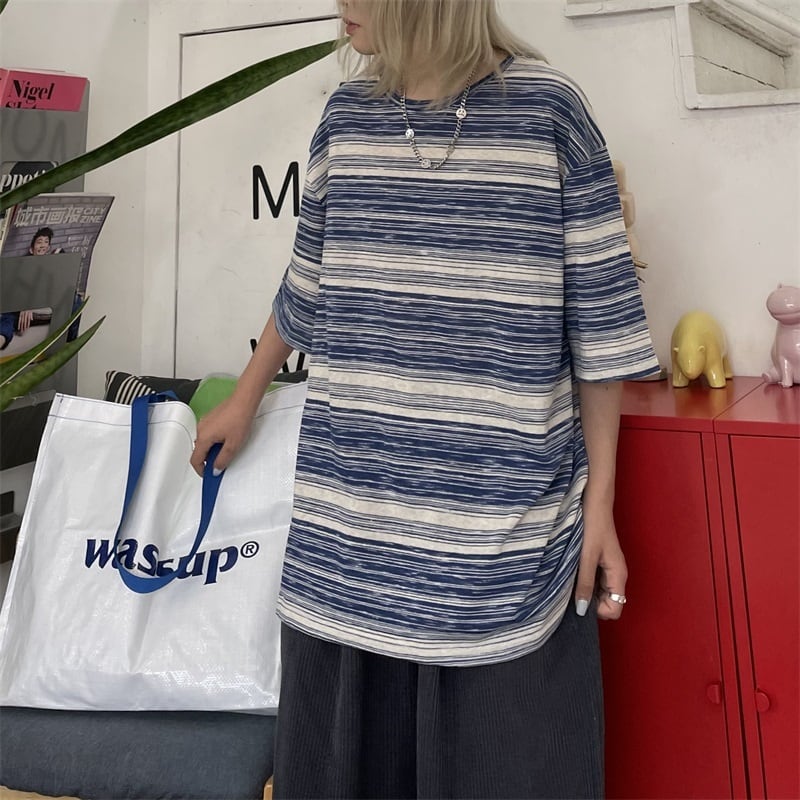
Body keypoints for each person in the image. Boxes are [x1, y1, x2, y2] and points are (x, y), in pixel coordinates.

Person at [192, 1, 660, 797]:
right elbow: (307, 284)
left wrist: (602, 506)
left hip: (503, 550)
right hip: (349, 543)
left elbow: (602, 331)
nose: (341, 4)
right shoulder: (345, 117)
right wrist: (245, 396)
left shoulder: (549, 112)